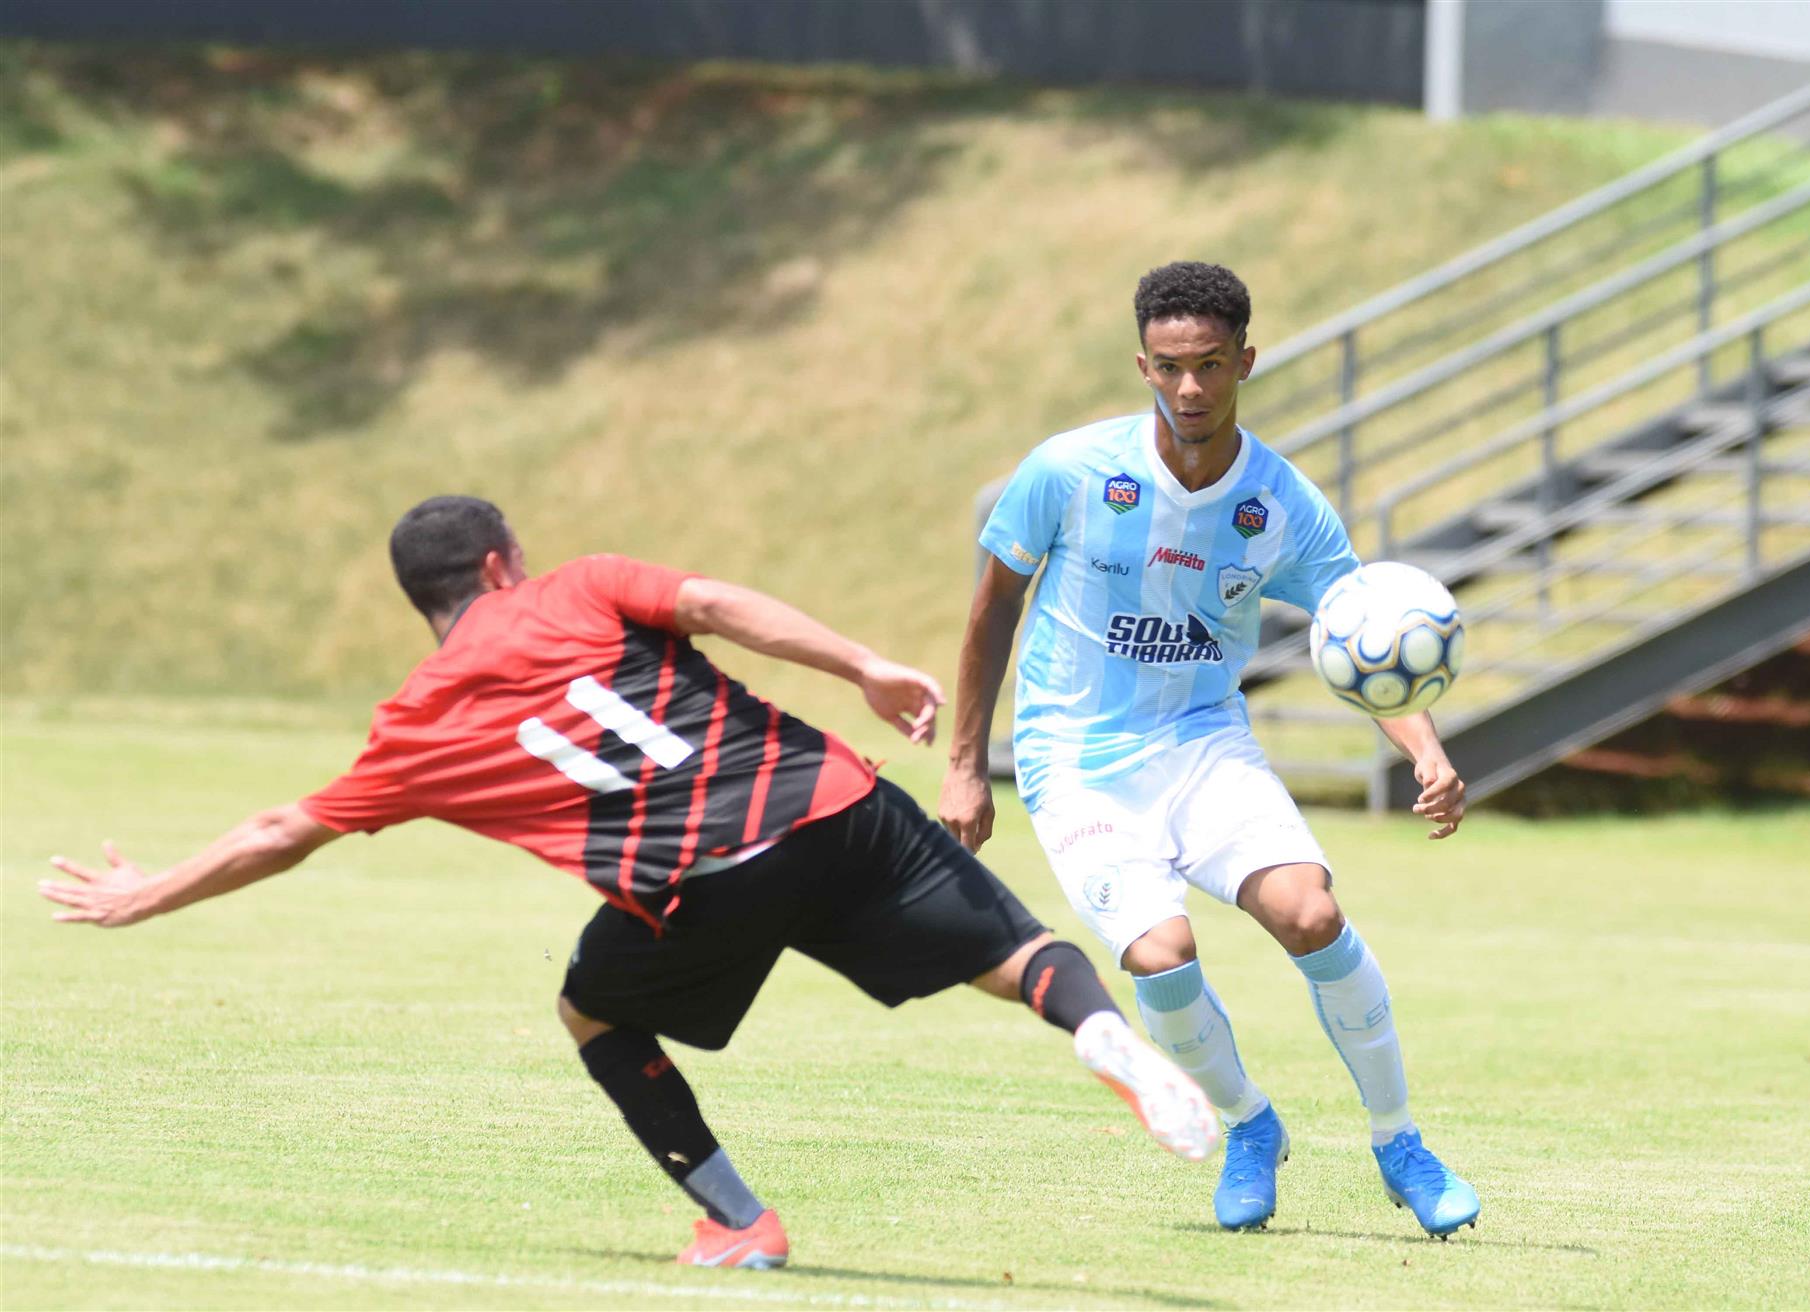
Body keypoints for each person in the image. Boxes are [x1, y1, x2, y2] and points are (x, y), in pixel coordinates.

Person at [39, 495, 1220, 1271]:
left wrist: (147, 894)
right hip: (826, 797)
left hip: (699, 879)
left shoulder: (413, 726)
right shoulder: (582, 585)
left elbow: (281, 827)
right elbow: (711, 606)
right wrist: (860, 660)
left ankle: (739, 1219)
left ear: (428, 599)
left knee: (593, 1009)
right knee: (1012, 957)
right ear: (504, 561)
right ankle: (1106, 1033)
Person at [939, 262, 1479, 1238]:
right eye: (1170, 367)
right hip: (1073, 754)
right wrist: (966, 762)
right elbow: (988, 614)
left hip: (1199, 741)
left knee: (1309, 912)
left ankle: (1398, 1140)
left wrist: (1425, 749)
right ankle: (1247, 1124)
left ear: (1245, 362)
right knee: (1160, 950)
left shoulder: (1281, 503)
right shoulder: (1065, 471)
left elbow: (1361, 636)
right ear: (1141, 364)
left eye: (1211, 366)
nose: (1189, 389)